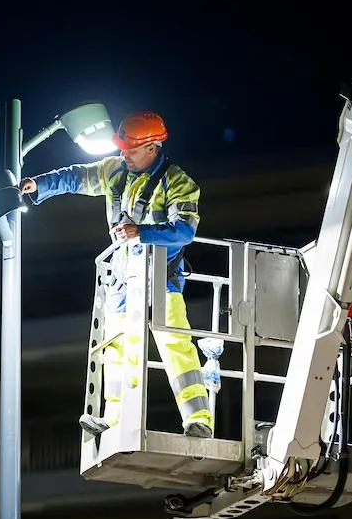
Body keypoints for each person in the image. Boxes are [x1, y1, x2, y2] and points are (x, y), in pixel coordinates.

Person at [19, 111, 213, 439]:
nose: (124, 154)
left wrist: (142, 232)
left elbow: (185, 231)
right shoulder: (114, 170)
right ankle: (114, 418)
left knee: (174, 344)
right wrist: (39, 185)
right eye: (122, 148)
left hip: (161, 280)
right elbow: (75, 176)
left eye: (131, 150)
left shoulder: (178, 182)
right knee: (116, 349)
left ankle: (199, 419)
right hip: (123, 281)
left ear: (152, 147)